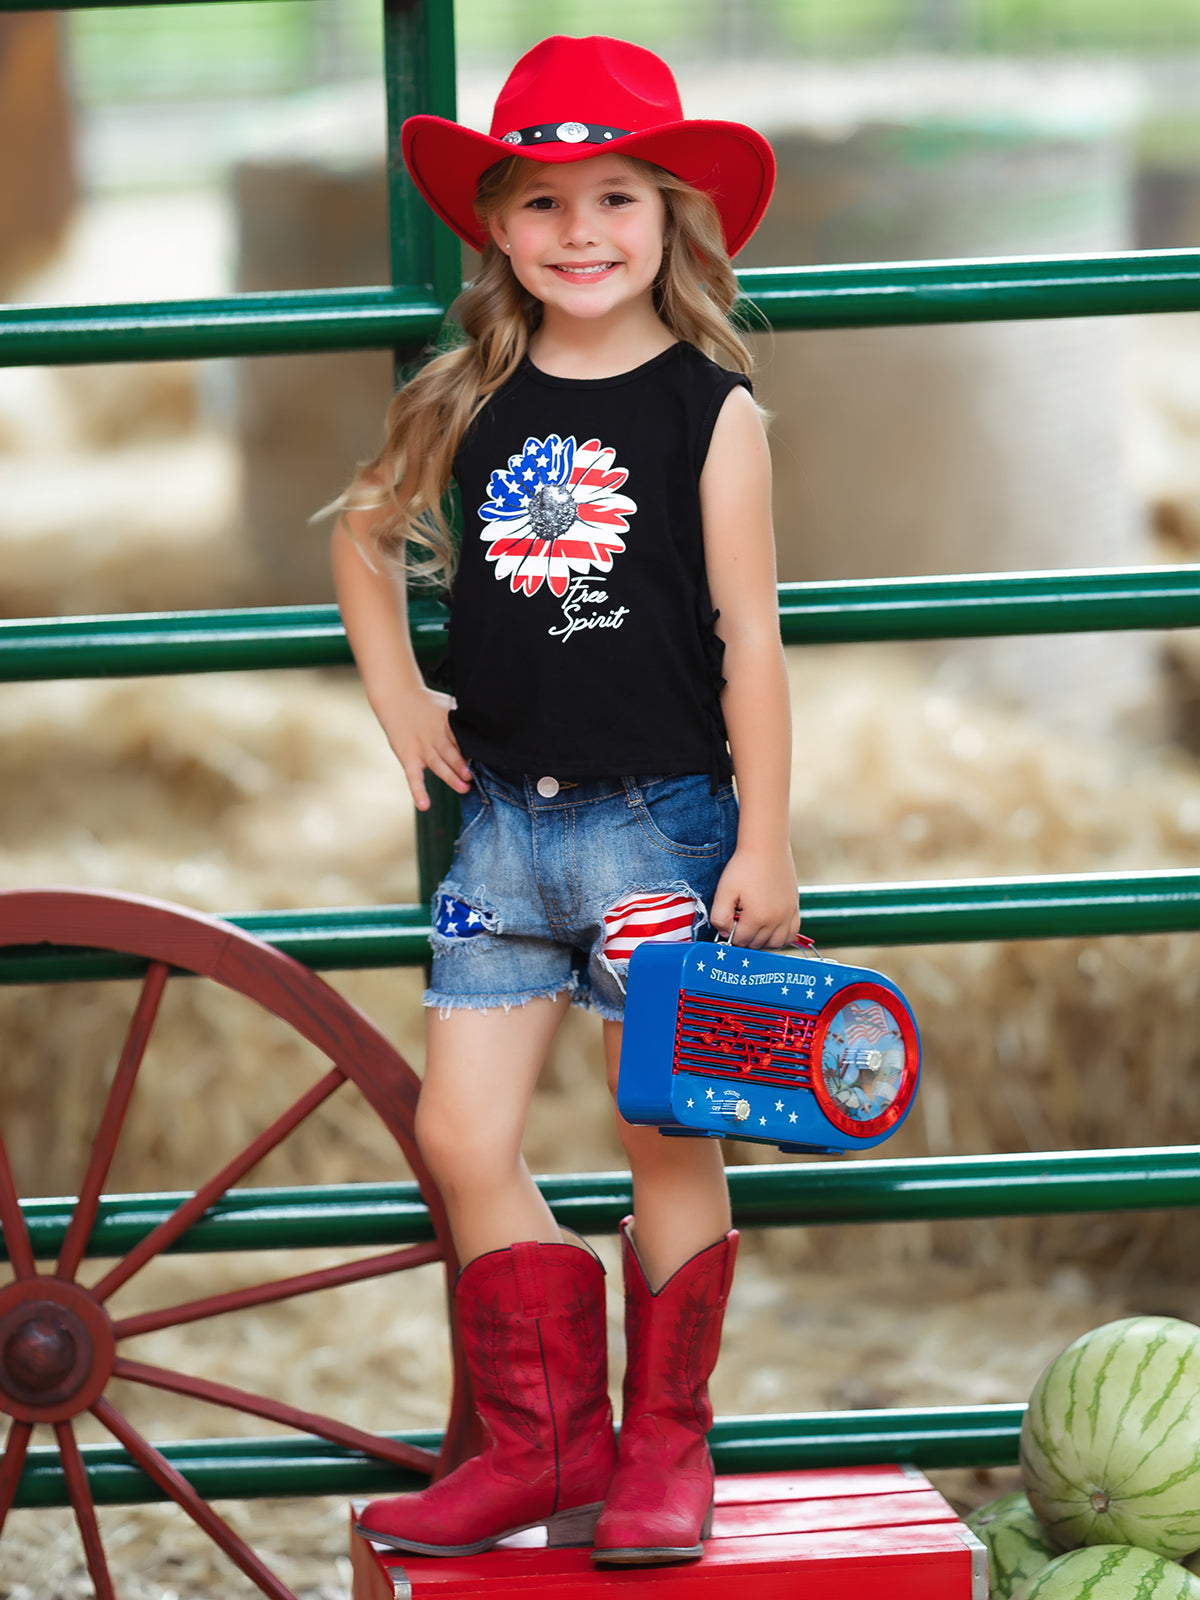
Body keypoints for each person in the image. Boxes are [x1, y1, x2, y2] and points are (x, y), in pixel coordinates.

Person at [332, 33, 799, 1567]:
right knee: (463, 1134)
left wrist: (767, 838)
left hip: (662, 829)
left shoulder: (709, 411)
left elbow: (749, 638)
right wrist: (401, 694)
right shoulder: (467, 395)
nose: (579, 232)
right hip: (504, 838)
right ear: (496, 227)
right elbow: (363, 534)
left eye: (615, 198)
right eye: (541, 201)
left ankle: (666, 1446)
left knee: (664, 1129)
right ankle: (544, 1441)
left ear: (671, 219)